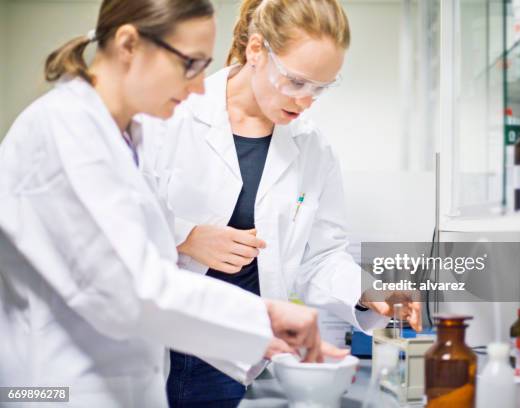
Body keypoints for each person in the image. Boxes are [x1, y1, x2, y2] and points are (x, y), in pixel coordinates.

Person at [0, 1, 338, 407]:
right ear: (128, 44)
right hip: (55, 390)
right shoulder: (65, 130)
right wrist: (264, 318)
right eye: (190, 64)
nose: (199, 88)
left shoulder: (126, 137)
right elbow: (132, 291)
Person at [141, 0, 423, 406]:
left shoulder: (313, 149)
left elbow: (321, 256)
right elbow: (118, 229)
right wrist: (184, 238)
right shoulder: (172, 116)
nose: (307, 101)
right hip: (166, 341)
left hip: (244, 353)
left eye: (320, 88)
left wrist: (369, 290)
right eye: (296, 81)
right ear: (256, 51)